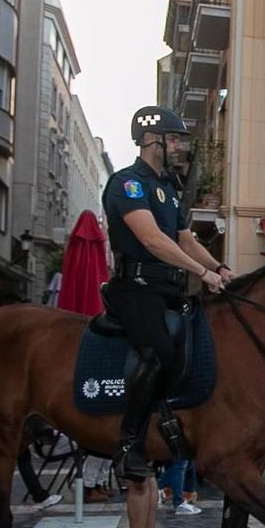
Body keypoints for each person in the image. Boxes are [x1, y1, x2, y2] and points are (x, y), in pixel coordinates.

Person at [101, 105, 229, 485]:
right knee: (157, 353)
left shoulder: (168, 191)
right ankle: (128, 446)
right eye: (172, 139)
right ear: (149, 140)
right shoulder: (128, 184)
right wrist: (202, 273)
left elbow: (185, 240)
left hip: (166, 290)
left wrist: (220, 269)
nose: (177, 146)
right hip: (135, 288)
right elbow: (152, 240)